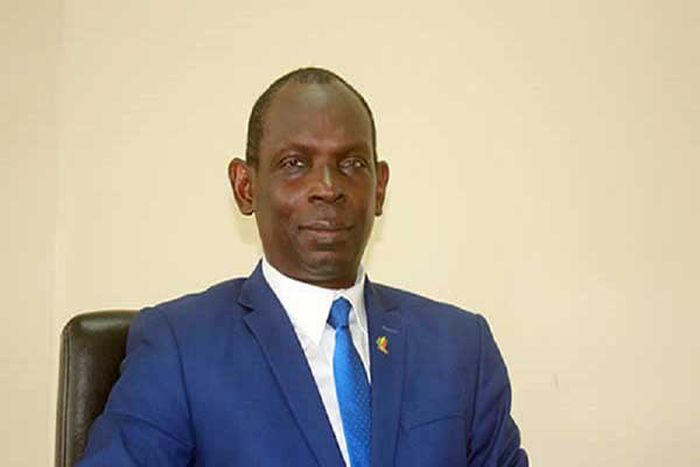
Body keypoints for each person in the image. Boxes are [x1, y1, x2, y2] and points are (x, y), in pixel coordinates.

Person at [80, 67, 528, 466]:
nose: (327, 188)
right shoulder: (180, 347)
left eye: (351, 164)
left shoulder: (460, 348)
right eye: (295, 164)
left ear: (379, 187)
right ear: (245, 186)